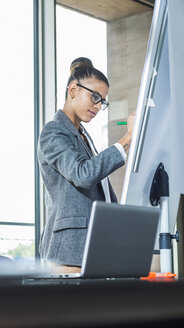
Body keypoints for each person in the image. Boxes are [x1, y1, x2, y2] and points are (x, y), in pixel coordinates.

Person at [37, 57, 135, 273]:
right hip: (70, 248)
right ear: (73, 90)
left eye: (102, 101)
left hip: (95, 243)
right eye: (95, 97)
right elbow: (83, 174)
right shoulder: (53, 132)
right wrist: (127, 138)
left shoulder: (82, 135)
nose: (98, 106)